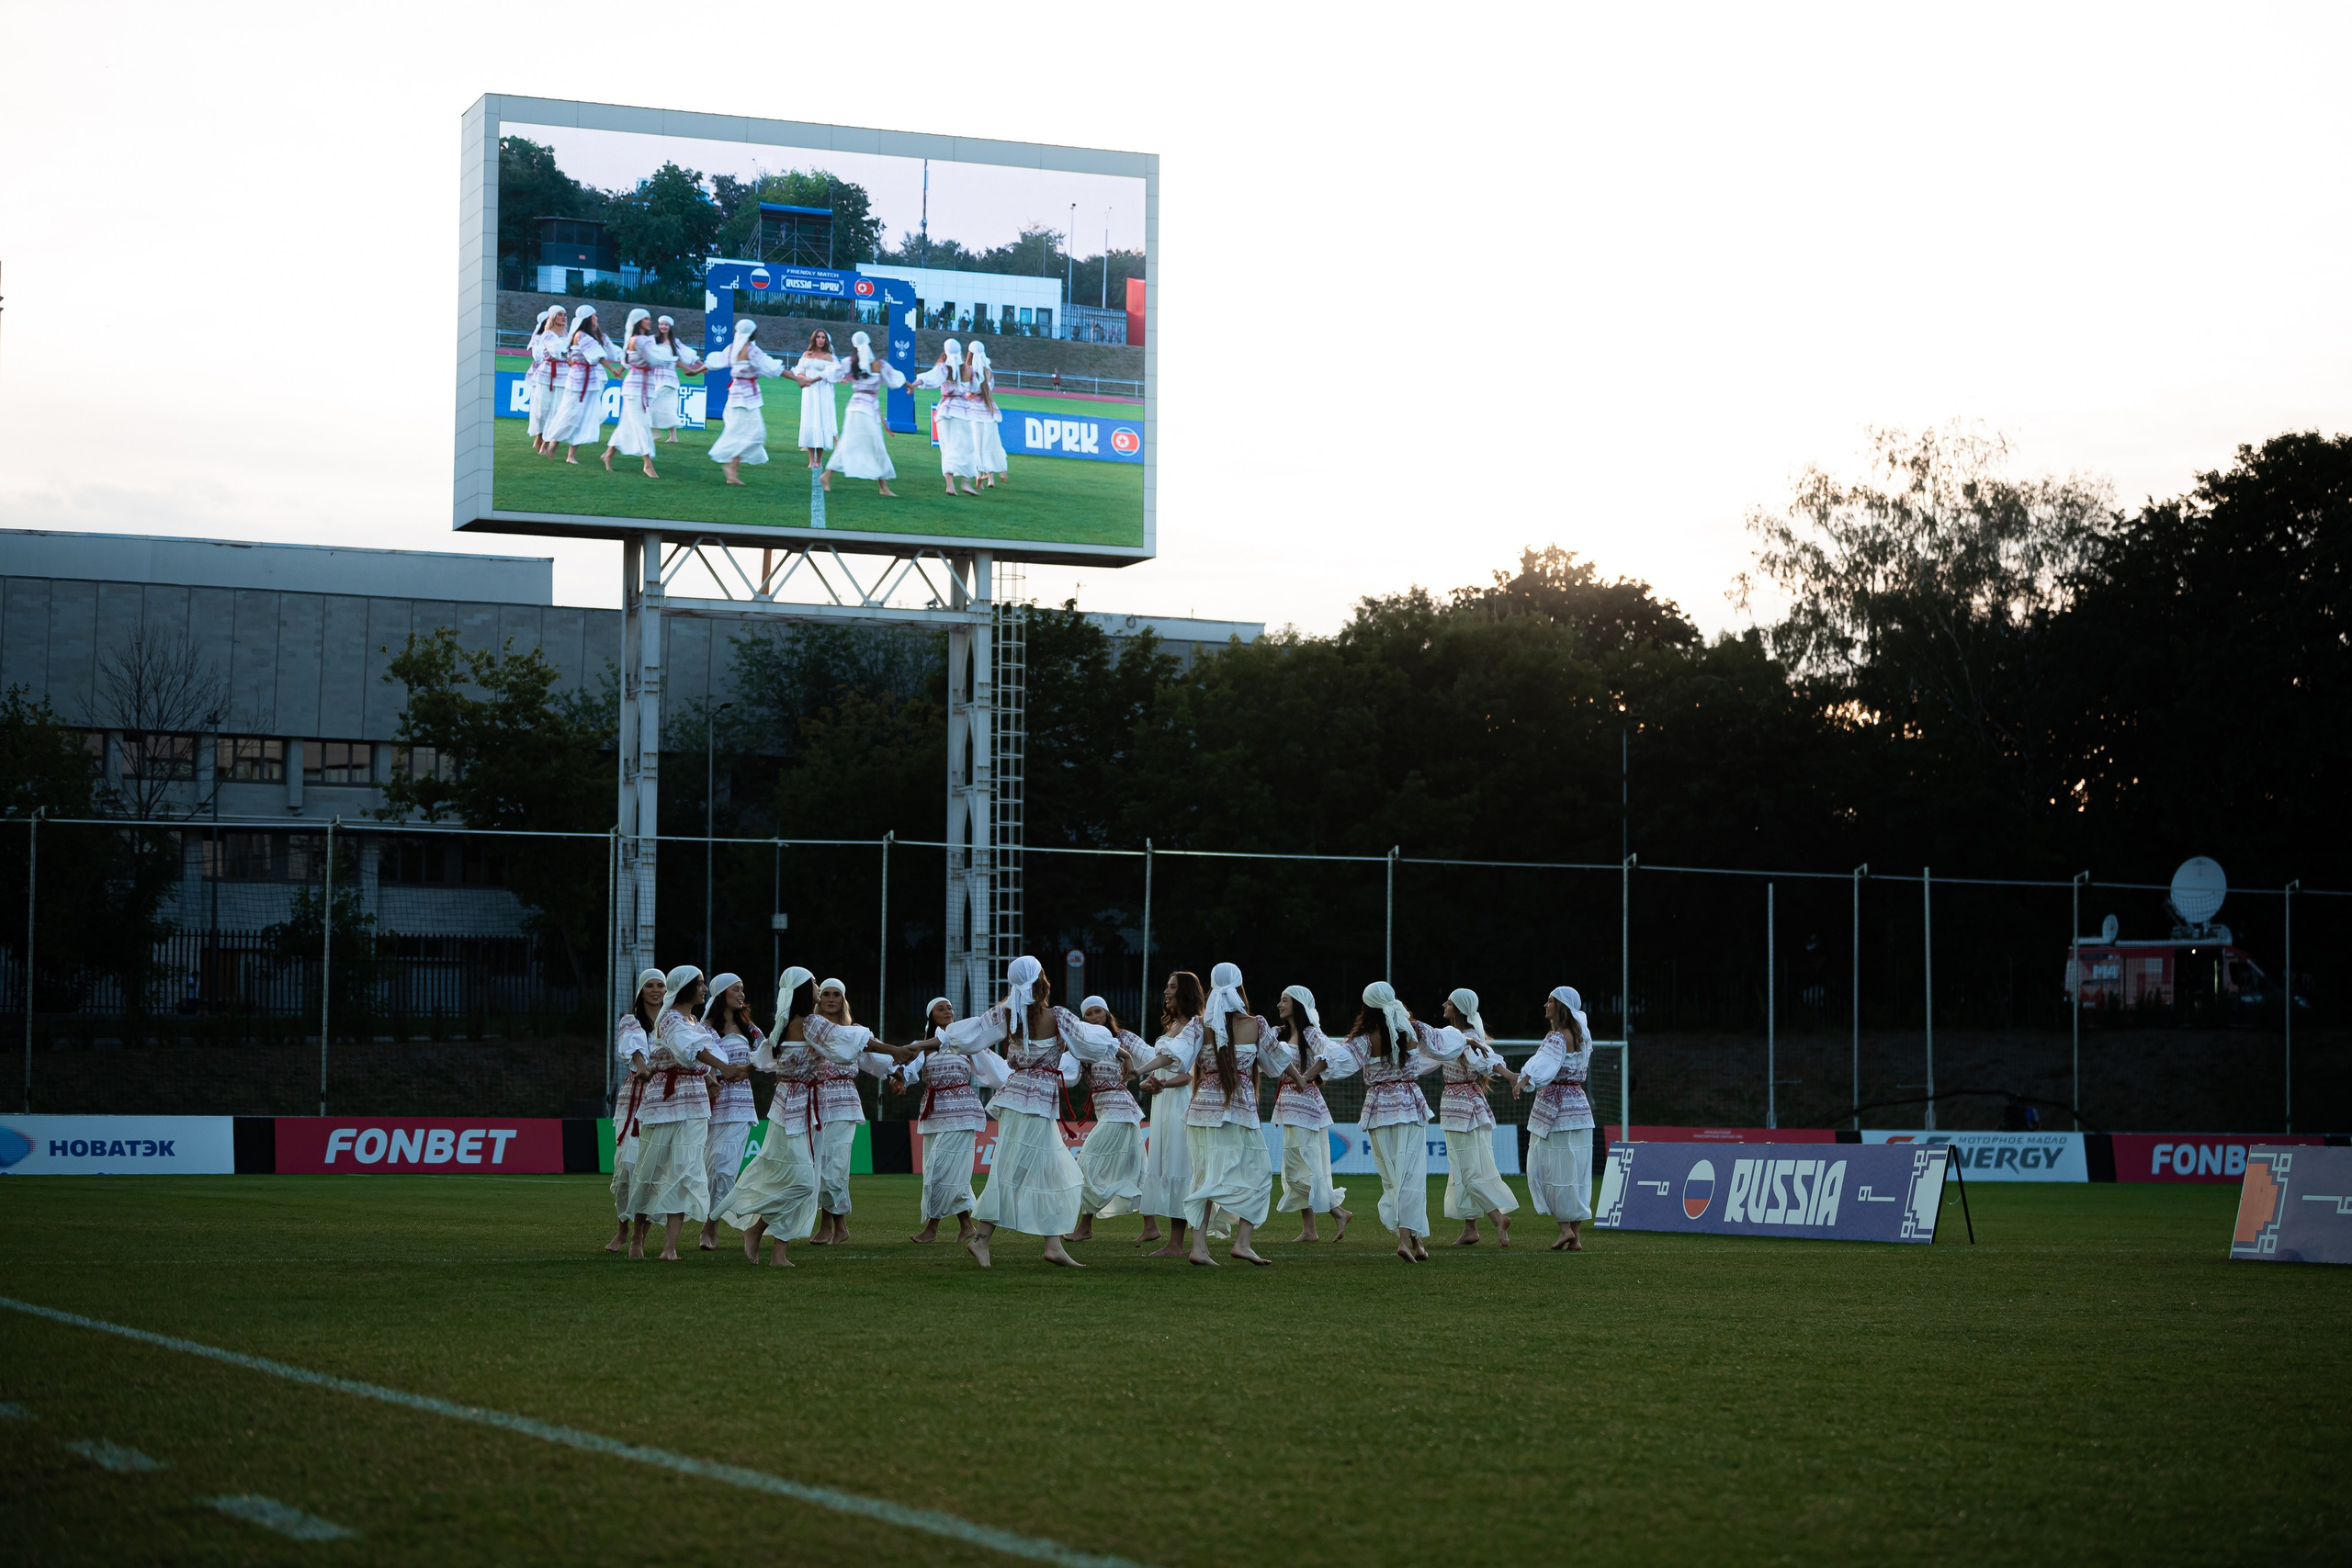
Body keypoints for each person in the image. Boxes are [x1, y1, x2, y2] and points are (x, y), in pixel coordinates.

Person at [929, 955, 1117, 1268]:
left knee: (1049, 1170)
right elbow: (1088, 1043)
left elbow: (970, 1034)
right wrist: (1114, 1046)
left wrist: (922, 1046)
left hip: (1020, 1098)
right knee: (1014, 1169)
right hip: (1034, 1102)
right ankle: (982, 1239)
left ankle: (1053, 1245)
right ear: (1042, 980)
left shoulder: (1007, 1015)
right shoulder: (1056, 1016)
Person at [1136, 962, 1284, 1267]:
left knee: (1204, 1177)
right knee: (1256, 1173)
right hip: (1235, 1113)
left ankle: (1201, 1248)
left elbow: (1173, 1055)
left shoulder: (1199, 1025)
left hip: (1202, 1112)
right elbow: (1276, 1065)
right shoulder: (1255, 1024)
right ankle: (1239, 1244)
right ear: (1240, 985)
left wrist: (1138, 1069)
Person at [1318, 981, 1465, 1262]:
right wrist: (1467, 1039)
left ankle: (1413, 1240)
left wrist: (1314, 1072)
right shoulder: (1413, 1028)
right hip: (1409, 1107)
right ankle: (1410, 1240)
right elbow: (1445, 1043)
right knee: (1411, 1175)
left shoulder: (1365, 1037)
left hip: (1378, 1110)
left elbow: (1338, 1057)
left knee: (1393, 1178)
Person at [627, 965, 731, 1261]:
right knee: (651, 1168)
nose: (704, 989)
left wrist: (712, 1076)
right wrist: (722, 1069)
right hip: (664, 1100)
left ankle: (669, 1248)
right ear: (685, 987)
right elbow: (689, 1050)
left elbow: (704, 1054)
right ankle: (637, 1239)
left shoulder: (694, 1021)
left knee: (685, 1171)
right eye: (699, 984)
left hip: (694, 1101)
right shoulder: (670, 1019)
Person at [896, 998, 1001, 1246]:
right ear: (931, 1016)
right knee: (947, 1172)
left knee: (939, 1170)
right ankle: (966, 1226)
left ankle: (932, 1228)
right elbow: (907, 1067)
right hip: (934, 1114)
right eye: (941, 1008)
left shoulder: (967, 1043)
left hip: (963, 1113)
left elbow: (995, 1069)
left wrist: (1018, 1080)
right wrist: (899, 1078)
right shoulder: (923, 1046)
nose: (948, 1011)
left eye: (950, 1007)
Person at [805, 977, 898, 1246]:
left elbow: (875, 1061)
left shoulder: (855, 1032)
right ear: (819, 999)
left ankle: (833, 1226)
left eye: (836, 995)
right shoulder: (812, 1031)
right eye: (825, 994)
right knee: (818, 1167)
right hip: (817, 1104)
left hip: (844, 1105)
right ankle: (835, 1226)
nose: (831, 999)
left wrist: (895, 1073)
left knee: (835, 1166)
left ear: (843, 1000)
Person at [1437, 987, 1519, 1248]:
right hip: (1459, 1105)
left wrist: (1508, 1075)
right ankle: (1470, 1228)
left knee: (1468, 1168)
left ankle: (1496, 1218)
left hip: (1463, 1108)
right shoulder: (1456, 1037)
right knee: (1462, 1167)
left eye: (1448, 1003)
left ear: (1458, 1008)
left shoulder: (1466, 1037)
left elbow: (1484, 1060)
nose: (1444, 1006)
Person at [1517, 986, 1597, 1252]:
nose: (1545, 1004)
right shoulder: (1581, 1036)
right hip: (1580, 1110)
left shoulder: (1557, 1037)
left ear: (1561, 1006)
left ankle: (1564, 1230)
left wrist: (1525, 1079)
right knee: (1577, 1172)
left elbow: (1545, 1064)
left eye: (1550, 1000)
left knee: (1554, 1169)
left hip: (1557, 1113)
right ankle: (1576, 1235)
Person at [1270, 985, 1351, 1243]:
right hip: (1288, 1105)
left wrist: (1307, 1075)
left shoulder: (1309, 1032)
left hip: (1306, 1106)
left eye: (1284, 1000)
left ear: (1297, 1004)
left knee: (1300, 1167)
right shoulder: (1280, 1033)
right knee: (1296, 1167)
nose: (1279, 1005)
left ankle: (1337, 1211)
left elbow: (1331, 1053)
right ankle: (1309, 1230)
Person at [1064, 996, 1148, 1242]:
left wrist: (1156, 1071)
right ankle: (1150, 1226)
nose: (1093, 1018)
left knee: (1087, 1164)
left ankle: (1085, 1226)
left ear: (1107, 1013)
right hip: (1109, 1112)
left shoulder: (1125, 1038)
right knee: (1136, 1168)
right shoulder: (1083, 1045)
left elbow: (1152, 1055)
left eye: (1098, 1012)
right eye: (1088, 1014)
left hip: (1120, 1110)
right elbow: (1069, 1075)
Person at [1136, 969, 1206, 1256]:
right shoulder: (1174, 1025)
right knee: (1167, 1166)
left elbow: (1188, 1075)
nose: (1166, 992)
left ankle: (1178, 1243)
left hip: (1180, 1104)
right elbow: (1161, 1067)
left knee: (1180, 1168)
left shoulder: (1195, 1026)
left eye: (1172, 987)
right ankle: (1174, 1242)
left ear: (1185, 992)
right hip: (1163, 1103)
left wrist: (1158, 1081)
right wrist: (1147, 1082)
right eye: (1166, 986)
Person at [696, 972, 761, 1251]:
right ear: (722, 993)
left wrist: (749, 1069)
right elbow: (697, 1061)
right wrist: (712, 1078)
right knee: (711, 1171)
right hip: (711, 1105)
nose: (741, 994)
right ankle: (714, 1220)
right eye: (736, 989)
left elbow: (769, 1055)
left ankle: (709, 1225)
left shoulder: (751, 1029)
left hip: (741, 1106)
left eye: (742, 989)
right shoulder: (705, 1028)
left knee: (724, 1168)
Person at [604, 966, 662, 1252]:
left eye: (661, 986)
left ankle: (640, 1236)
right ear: (641, 991)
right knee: (627, 1166)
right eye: (650, 985)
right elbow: (634, 1048)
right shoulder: (631, 1021)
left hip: (664, 1099)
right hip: (636, 1095)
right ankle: (623, 1229)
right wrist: (642, 1067)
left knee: (652, 1170)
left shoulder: (676, 1021)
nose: (656, 990)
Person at [822, 330, 904, 496]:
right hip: (866, 410)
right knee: (876, 446)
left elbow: (832, 373)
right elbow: (895, 381)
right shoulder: (879, 365)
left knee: (850, 443)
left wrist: (812, 379)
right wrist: (910, 385)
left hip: (855, 409)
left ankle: (828, 475)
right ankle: (883, 487)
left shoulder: (851, 362)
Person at [708, 319, 786, 484]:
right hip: (745, 400)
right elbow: (772, 368)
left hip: (736, 397)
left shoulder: (731, 349)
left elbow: (714, 363)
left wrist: (696, 369)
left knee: (741, 433)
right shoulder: (751, 350)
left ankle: (732, 472)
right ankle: (731, 466)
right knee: (756, 435)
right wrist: (798, 379)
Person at [544, 305, 614, 462]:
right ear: (589, 318)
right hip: (579, 380)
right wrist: (613, 370)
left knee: (583, 416)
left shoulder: (589, 335)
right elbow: (597, 356)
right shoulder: (581, 335)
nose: (597, 318)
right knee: (571, 412)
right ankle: (554, 439)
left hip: (588, 380)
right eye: (595, 315)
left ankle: (570, 455)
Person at [911, 340, 981, 496]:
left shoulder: (943, 368)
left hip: (944, 411)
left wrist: (914, 385)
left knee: (947, 447)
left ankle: (950, 485)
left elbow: (929, 378)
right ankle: (965, 482)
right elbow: (975, 388)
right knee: (967, 447)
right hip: (961, 412)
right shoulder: (967, 371)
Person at [605, 307, 664, 479]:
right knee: (642, 425)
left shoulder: (645, 340)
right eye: (646, 319)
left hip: (644, 386)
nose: (650, 321)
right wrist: (670, 358)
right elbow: (654, 359)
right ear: (638, 322)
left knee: (628, 425)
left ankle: (608, 454)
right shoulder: (637, 340)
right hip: (635, 388)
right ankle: (647, 464)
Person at [790, 329, 840, 481]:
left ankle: (819, 460)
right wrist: (804, 378)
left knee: (821, 421)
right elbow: (798, 370)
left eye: (823, 337)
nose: (820, 340)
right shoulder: (806, 355)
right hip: (809, 393)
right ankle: (811, 459)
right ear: (814, 339)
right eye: (818, 337)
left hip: (822, 392)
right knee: (810, 421)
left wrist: (813, 380)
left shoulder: (829, 357)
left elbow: (832, 373)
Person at [649, 315, 702, 443]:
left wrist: (701, 364)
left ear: (670, 326)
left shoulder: (675, 342)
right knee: (667, 408)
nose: (663, 327)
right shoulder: (653, 340)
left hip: (669, 379)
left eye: (666, 324)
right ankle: (673, 436)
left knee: (652, 402)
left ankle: (655, 431)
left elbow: (687, 353)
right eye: (661, 324)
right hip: (657, 377)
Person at [967, 341, 1009, 488]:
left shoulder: (970, 371)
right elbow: (988, 389)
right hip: (989, 410)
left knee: (975, 444)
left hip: (974, 411)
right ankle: (990, 477)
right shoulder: (988, 371)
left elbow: (968, 390)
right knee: (989, 443)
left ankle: (978, 474)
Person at [526, 306, 566, 455]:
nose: (563, 317)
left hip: (563, 376)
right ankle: (540, 438)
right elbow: (540, 356)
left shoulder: (567, 336)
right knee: (542, 409)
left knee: (557, 409)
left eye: (564, 315)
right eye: (560, 315)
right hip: (545, 374)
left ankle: (547, 442)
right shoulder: (545, 336)